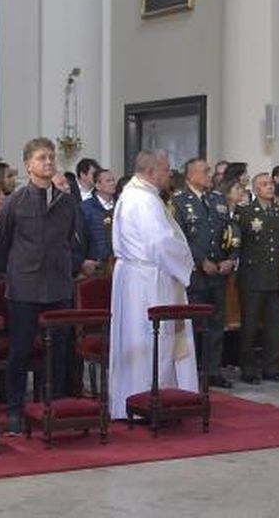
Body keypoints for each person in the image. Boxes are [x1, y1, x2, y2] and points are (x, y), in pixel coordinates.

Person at [0, 138, 85, 434]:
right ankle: (14, 411)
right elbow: (3, 242)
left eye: (51, 157)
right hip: (24, 286)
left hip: (58, 285)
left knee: (58, 349)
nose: (49, 162)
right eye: (42, 158)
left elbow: (73, 238)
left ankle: (52, 405)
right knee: (20, 351)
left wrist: (65, 266)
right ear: (28, 165)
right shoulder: (15, 202)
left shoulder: (66, 201)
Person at [108, 150, 197, 416]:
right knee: (150, 340)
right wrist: (186, 260)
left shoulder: (134, 195)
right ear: (151, 171)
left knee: (138, 338)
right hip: (148, 281)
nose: (170, 174)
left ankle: (133, 399)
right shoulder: (144, 200)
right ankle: (148, 399)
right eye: (166, 169)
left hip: (137, 277)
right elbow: (160, 243)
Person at [172, 157, 235, 389]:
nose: (210, 175)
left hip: (219, 271)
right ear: (190, 176)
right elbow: (180, 237)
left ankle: (213, 370)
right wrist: (200, 261)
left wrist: (231, 258)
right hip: (195, 274)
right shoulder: (179, 201)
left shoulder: (218, 199)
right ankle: (192, 371)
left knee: (216, 324)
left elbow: (231, 231)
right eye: (205, 171)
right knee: (194, 325)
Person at [234, 173, 279, 384]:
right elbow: (237, 243)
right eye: (264, 184)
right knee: (249, 325)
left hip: (275, 274)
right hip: (252, 276)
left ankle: (272, 368)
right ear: (256, 189)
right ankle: (248, 370)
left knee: (273, 326)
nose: (269, 187)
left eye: (271, 184)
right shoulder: (245, 212)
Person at [80, 167, 118, 267]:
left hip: (118, 260)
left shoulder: (121, 205)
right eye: (108, 181)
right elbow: (82, 236)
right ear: (97, 185)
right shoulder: (85, 208)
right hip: (96, 262)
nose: (113, 183)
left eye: (113, 180)